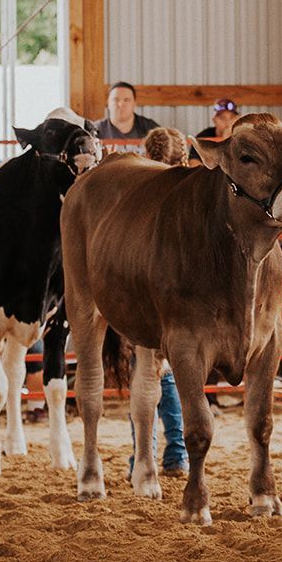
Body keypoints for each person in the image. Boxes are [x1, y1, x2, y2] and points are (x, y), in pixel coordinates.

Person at [124, 127, 189, 477]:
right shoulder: (189, 189)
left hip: (144, 291)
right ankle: (177, 454)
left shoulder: (140, 191)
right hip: (181, 294)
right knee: (171, 375)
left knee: (146, 373)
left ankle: (142, 455)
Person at [95, 81, 159, 144]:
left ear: (134, 104)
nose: (120, 104)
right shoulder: (95, 130)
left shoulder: (151, 129)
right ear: (108, 103)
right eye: (116, 99)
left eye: (126, 100)